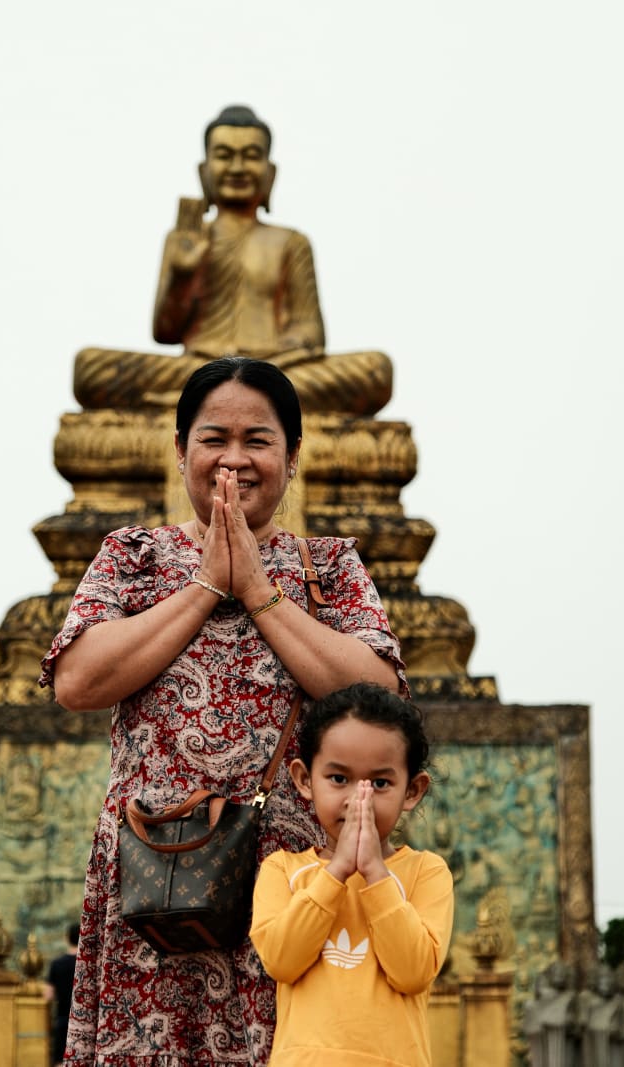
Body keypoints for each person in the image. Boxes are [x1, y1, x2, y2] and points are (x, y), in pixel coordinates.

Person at [39, 356, 407, 1066]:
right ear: (181, 450)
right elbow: (77, 681)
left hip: (291, 882)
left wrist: (261, 591)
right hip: (159, 871)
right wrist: (206, 584)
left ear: (292, 458)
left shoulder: (328, 566)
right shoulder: (133, 556)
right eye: (214, 438)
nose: (233, 459)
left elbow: (379, 695)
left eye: (258, 440)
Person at [73, 104, 393, 416]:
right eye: (224, 156)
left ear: (270, 173)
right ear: (204, 172)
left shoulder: (291, 242)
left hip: (275, 366)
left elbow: (310, 330)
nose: (237, 168)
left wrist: (268, 358)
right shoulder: (185, 238)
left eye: (251, 156)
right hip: (198, 365)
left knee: (375, 370)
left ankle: (201, 398)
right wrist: (183, 274)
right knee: (90, 367)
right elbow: (165, 332)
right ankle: (230, 392)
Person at [250, 682, 454, 1066]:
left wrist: (375, 872)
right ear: (305, 780)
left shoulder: (426, 873)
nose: (358, 799)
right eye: (339, 779)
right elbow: (282, 961)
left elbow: (413, 973)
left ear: (412, 791)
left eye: (380, 783)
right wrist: (336, 872)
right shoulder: (282, 869)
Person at [44, 922, 80, 1067]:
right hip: (83, 1020)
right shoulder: (87, 964)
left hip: (63, 1019)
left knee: (60, 1060)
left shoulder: (57, 964)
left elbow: (48, 995)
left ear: (66, 938)